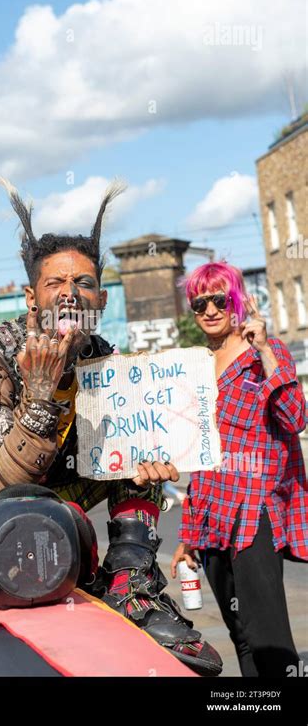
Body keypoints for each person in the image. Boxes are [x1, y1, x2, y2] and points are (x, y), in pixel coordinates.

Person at [0, 177, 222, 676]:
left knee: (134, 451)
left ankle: (132, 589)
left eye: (83, 283)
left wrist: (148, 462)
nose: (70, 294)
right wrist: (38, 395)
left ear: (100, 298)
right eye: (55, 283)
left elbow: (116, 457)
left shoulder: (105, 363)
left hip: (29, 507)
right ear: (33, 299)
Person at [170, 261, 307, 677]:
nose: (210, 310)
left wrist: (265, 350)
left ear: (236, 301)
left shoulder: (264, 354)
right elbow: (200, 461)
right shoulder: (195, 368)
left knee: (268, 635)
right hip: (212, 515)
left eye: (219, 299)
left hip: (254, 513)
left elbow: (296, 418)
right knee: (241, 635)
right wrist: (188, 536)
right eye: (199, 303)